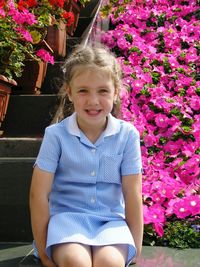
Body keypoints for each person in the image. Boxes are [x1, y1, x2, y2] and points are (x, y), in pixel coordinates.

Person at [29, 43, 143, 267]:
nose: (93, 101)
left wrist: (135, 248)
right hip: (66, 220)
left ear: (116, 92)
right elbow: (38, 195)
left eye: (103, 90)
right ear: (69, 92)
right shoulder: (56, 136)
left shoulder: (127, 135)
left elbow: (132, 193)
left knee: (109, 263)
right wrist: (43, 252)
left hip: (111, 223)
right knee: (76, 262)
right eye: (83, 90)